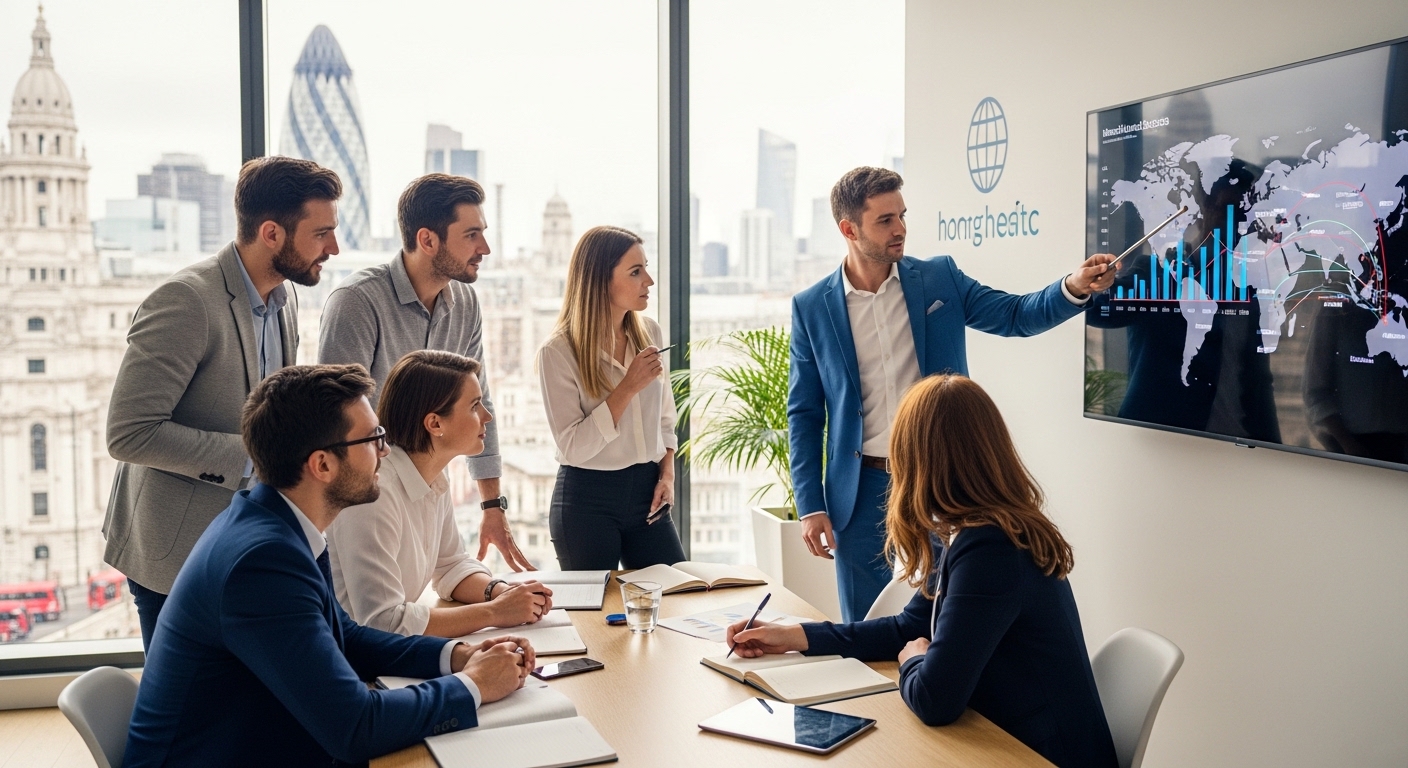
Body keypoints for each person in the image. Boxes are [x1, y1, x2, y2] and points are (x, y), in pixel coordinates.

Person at [124, 364, 536, 768]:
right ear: (322, 465)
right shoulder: (261, 563)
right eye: (373, 439)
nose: (385, 450)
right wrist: (475, 685)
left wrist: (459, 656)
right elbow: (355, 728)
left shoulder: (278, 522)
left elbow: (347, 638)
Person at [728, 375, 1118, 767]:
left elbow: (935, 700)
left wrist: (913, 660)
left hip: (1037, 755)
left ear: (920, 461)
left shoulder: (991, 547)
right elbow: (907, 626)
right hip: (1008, 738)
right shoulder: (979, 528)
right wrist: (793, 636)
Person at [789, 166, 1116, 621]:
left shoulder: (939, 278)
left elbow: (1015, 315)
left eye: (902, 215)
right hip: (860, 486)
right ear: (849, 229)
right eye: (885, 220)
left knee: (954, 615)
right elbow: (804, 413)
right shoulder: (811, 307)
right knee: (863, 624)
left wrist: (1073, 288)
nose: (900, 228)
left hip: (941, 475)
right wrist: (810, 505)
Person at [104, 156, 343, 650]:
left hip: (249, 544)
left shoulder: (285, 298)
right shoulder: (186, 301)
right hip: (177, 552)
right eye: (321, 234)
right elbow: (129, 433)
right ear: (272, 233)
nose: (333, 248)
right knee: (186, 713)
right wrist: (258, 459)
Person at [319, 173, 532, 572]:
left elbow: (478, 403)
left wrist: (491, 506)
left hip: (427, 488)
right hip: (366, 501)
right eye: (471, 235)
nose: (484, 248)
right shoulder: (356, 302)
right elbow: (334, 419)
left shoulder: (466, 302)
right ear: (427, 239)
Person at [328, 350, 554, 637]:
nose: (487, 416)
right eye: (474, 406)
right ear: (435, 424)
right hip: (356, 662)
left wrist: (503, 593)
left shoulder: (435, 474)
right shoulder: (375, 494)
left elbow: (450, 566)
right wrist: (496, 612)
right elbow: (382, 622)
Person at [536, 226, 685, 569]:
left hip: (648, 494)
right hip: (587, 501)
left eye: (646, 268)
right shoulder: (557, 353)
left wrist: (667, 476)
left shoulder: (650, 333)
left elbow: (665, 418)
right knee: (596, 616)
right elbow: (572, 446)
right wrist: (628, 386)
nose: (648, 280)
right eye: (635, 272)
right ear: (599, 280)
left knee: (675, 599)